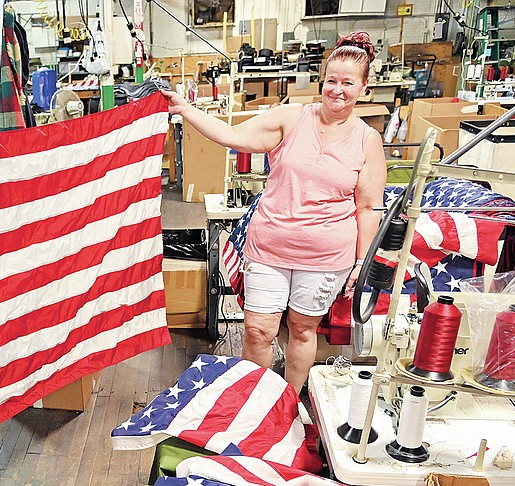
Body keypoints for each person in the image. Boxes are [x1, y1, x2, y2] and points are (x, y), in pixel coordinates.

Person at [163, 31, 386, 395]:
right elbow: (231, 135)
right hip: (270, 247)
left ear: (363, 87)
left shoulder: (367, 141)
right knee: (257, 330)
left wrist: (362, 263)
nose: (337, 90)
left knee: (302, 330)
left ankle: (288, 403)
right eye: (331, 80)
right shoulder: (291, 118)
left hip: (326, 256)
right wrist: (187, 110)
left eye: (348, 83)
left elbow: (367, 207)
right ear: (322, 81)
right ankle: (257, 402)